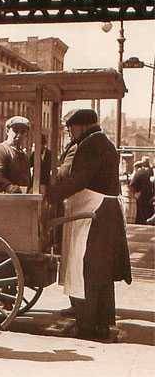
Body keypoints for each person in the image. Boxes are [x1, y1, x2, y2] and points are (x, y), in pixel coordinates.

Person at [48, 108, 132, 341]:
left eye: (71, 127)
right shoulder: (104, 142)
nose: (69, 132)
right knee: (101, 272)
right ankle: (102, 323)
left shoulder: (90, 145)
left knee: (86, 268)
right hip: (106, 212)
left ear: (82, 126)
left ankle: (87, 326)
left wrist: (52, 194)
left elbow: (80, 180)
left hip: (94, 214)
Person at [0, 116, 31, 193]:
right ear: (7, 131)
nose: (19, 135)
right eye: (16, 131)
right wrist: (9, 187)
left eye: (23, 132)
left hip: (22, 200)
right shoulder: (0, 150)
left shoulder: (24, 156)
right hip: (3, 199)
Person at [130, 159, 153, 224]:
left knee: (140, 212)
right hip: (148, 195)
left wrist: (135, 194)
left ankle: (142, 222)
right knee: (147, 210)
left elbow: (132, 184)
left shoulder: (138, 173)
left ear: (137, 167)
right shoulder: (148, 172)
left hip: (141, 196)